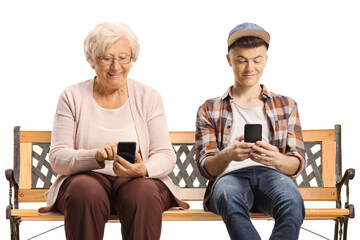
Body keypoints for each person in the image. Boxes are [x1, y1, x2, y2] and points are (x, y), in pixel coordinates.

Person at [38, 21, 189, 240]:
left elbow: (165, 155)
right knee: (85, 191)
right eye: (106, 58)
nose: (115, 66)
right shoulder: (71, 96)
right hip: (86, 181)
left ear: (132, 58)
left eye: (123, 57)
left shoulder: (149, 97)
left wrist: (143, 169)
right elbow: (58, 157)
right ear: (92, 61)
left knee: (143, 193)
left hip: (137, 181)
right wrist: (95, 155)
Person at [195, 22, 306, 240]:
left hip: (272, 175)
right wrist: (229, 154)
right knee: (229, 197)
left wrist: (276, 159)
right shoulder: (209, 108)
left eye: (256, 60)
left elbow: (296, 161)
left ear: (266, 60)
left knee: (293, 203)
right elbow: (206, 168)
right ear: (229, 60)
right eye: (241, 60)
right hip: (229, 177)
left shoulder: (287, 106)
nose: (250, 68)